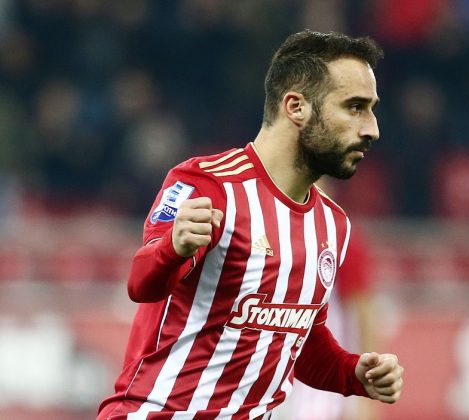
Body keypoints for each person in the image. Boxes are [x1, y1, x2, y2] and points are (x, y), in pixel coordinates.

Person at [97, 30, 404, 420]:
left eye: (371, 109)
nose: (372, 129)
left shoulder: (333, 224)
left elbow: (300, 342)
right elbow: (142, 284)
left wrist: (353, 374)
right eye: (355, 107)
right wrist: (172, 247)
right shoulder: (208, 185)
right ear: (296, 107)